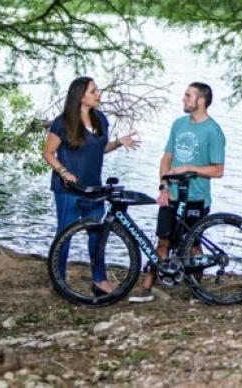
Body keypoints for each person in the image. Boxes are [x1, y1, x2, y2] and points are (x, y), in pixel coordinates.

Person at [43, 76, 140, 296]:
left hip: (94, 190)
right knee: (64, 235)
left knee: (98, 235)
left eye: (97, 91)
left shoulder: (101, 120)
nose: (99, 94)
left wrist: (117, 143)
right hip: (68, 191)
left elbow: (99, 149)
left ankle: (100, 281)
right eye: (94, 91)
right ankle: (59, 280)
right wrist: (64, 172)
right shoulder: (63, 122)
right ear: (80, 96)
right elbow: (48, 153)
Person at [129, 81, 225, 303]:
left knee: (193, 245)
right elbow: (166, 159)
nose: (183, 99)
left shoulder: (213, 131)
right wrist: (163, 186)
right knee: (162, 241)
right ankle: (147, 289)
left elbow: (218, 170)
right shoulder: (179, 124)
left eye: (188, 96)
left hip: (196, 197)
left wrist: (190, 168)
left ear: (201, 101)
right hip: (171, 195)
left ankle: (198, 291)